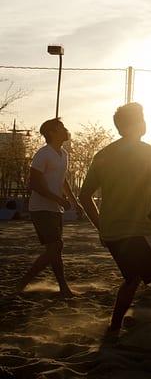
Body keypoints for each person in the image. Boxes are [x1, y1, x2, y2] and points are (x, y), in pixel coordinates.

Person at [79, 102, 151, 339]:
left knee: (132, 278)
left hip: (112, 233)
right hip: (139, 231)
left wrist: (101, 227)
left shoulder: (103, 155)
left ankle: (114, 327)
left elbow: (84, 197)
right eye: (142, 118)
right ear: (138, 124)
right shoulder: (150, 153)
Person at [16, 118, 81, 297]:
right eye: (62, 127)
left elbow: (63, 181)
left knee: (55, 250)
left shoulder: (63, 155)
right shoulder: (43, 154)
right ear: (52, 132)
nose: (66, 130)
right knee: (55, 247)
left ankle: (63, 287)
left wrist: (74, 201)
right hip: (41, 208)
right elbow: (34, 184)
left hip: (54, 209)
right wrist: (59, 200)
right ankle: (23, 283)